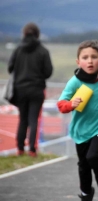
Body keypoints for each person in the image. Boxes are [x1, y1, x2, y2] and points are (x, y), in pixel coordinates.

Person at [57, 40, 98, 201]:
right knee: (83, 165)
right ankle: (86, 193)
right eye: (85, 57)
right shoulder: (75, 82)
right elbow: (61, 105)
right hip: (81, 130)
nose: (90, 61)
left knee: (93, 156)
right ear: (78, 62)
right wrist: (71, 104)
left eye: (94, 57)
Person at [7, 22, 53, 157]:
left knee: (22, 119)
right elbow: (48, 72)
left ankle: (20, 148)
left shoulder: (17, 50)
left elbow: (10, 68)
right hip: (37, 90)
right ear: (38, 34)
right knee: (34, 120)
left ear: (24, 33)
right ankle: (32, 149)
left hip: (20, 89)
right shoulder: (43, 51)